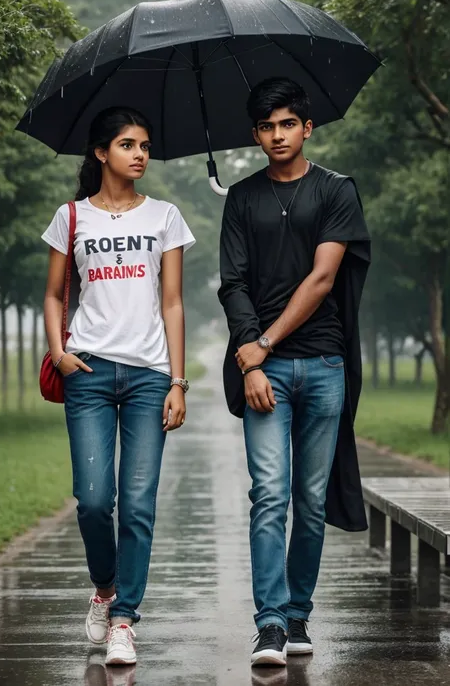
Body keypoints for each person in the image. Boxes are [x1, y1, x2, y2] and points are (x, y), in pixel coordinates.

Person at [218, 78, 370, 667]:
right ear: (254, 134)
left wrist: (265, 341)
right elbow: (232, 282)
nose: (276, 135)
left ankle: (299, 613)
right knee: (269, 497)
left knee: (309, 499)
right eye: (265, 126)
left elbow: (323, 278)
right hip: (266, 375)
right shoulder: (242, 198)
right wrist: (253, 358)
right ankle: (271, 625)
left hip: (325, 363)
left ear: (307, 128)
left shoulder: (337, 191)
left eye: (287, 124)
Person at [42, 107, 195, 667]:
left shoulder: (165, 217)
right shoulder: (71, 217)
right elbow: (55, 293)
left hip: (150, 376)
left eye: (146, 145)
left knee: (136, 503)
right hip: (88, 372)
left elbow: (173, 302)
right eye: (127, 144)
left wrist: (177, 381)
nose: (140, 154)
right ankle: (105, 588)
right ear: (101, 153)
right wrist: (60, 354)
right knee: (92, 501)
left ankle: (124, 619)